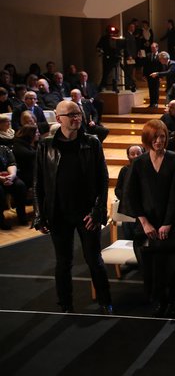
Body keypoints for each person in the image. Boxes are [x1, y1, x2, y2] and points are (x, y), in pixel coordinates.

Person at [33, 100, 112, 314]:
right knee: (63, 261)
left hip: (87, 213)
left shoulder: (92, 142)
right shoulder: (46, 145)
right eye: (71, 114)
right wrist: (40, 214)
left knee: (93, 259)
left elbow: (102, 180)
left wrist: (97, 211)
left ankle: (105, 301)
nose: (77, 117)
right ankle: (65, 304)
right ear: (59, 119)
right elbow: (39, 183)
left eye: (78, 113)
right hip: (58, 213)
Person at [124, 120, 175, 318]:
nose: (159, 141)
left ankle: (171, 302)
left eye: (162, 137)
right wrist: (145, 222)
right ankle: (158, 301)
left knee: (171, 266)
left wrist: (168, 223)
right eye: (155, 137)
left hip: (171, 224)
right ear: (147, 139)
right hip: (147, 226)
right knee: (151, 266)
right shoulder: (138, 164)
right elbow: (131, 196)